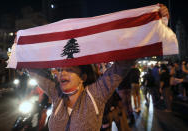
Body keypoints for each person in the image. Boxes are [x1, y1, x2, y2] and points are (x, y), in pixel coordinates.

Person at [28, 4, 169, 131]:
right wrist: (22, 47)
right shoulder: (56, 94)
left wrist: (152, 23)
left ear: (83, 77)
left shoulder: (95, 94)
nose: (62, 73)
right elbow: (34, 72)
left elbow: (123, 64)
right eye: (59, 70)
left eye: (69, 70)